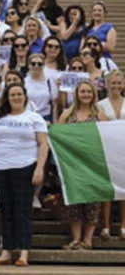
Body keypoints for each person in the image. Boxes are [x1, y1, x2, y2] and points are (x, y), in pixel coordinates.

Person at [0, 83, 48, 267]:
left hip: (25, 166)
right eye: (12, 94)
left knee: (22, 210)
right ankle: (6, 252)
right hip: (0, 168)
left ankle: (23, 253)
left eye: (19, 94)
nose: (16, 97)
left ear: (25, 96)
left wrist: (39, 168)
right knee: (5, 211)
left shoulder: (34, 117)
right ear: (7, 97)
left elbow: (43, 144)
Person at [58, 80, 108, 250]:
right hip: (72, 166)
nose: (86, 94)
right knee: (73, 201)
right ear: (77, 94)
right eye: (82, 91)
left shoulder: (100, 115)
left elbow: (109, 137)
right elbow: (57, 136)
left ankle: (88, 239)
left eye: (89, 91)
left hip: (93, 166)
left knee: (93, 202)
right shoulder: (67, 114)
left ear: (94, 94)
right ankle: (76, 238)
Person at [98, 71, 125, 239]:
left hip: (124, 149)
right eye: (112, 83)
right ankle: (105, 225)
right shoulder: (100, 105)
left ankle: (123, 225)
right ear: (107, 85)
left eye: (118, 83)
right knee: (107, 188)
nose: (115, 86)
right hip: (107, 148)